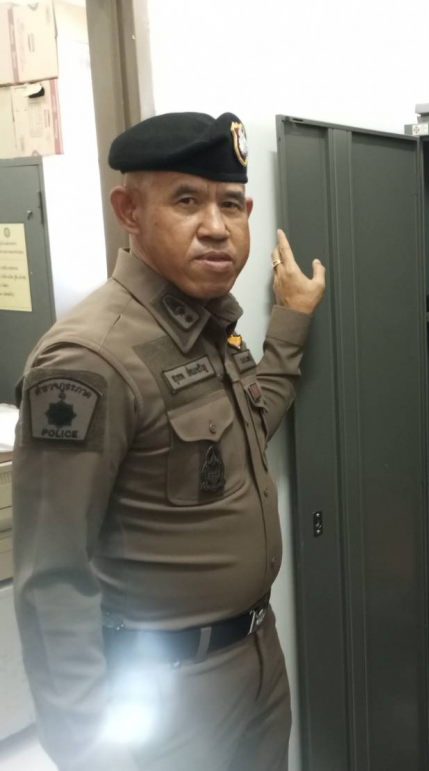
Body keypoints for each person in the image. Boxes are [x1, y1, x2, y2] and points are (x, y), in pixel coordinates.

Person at [13, 111, 326, 771]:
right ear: (129, 211)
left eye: (230, 204)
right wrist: (90, 753)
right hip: (166, 693)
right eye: (186, 201)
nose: (215, 226)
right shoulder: (90, 358)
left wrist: (290, 319)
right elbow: (51, 580)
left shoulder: (207, 329)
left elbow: (247, 425)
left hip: (256, 661)